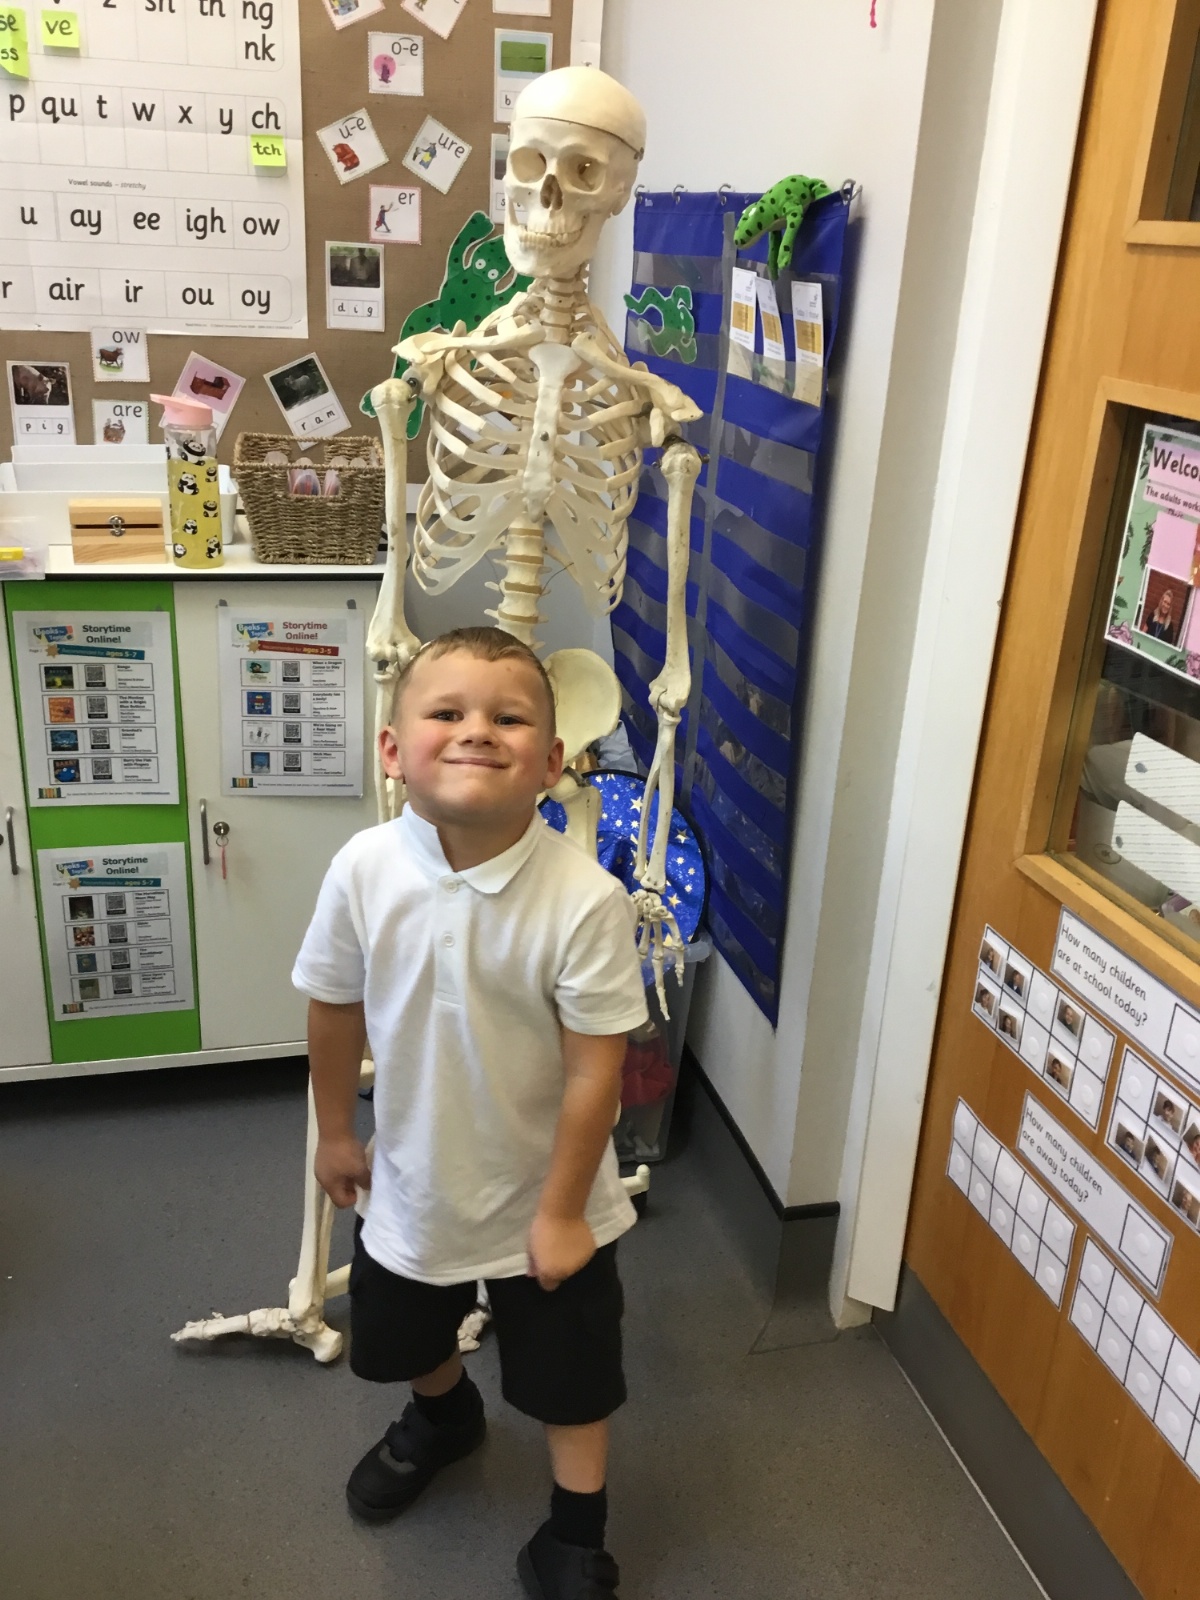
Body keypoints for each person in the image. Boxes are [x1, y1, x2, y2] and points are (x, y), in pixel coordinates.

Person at [292, 627, 648, 1600]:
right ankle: (444, 1418)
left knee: (572, 1374)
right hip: (415, 1179)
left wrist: (562, 1210)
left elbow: (597, 1069)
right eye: (446, 712)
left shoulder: (587, 899)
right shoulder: (363, 869)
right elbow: (333, 1005)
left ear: (553, 758)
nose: (477, 730)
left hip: (554, 1194)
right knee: (404, 1335)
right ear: (392, 749)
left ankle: (576, 1530)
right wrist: (336, 1132)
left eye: (509, 718)